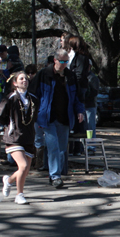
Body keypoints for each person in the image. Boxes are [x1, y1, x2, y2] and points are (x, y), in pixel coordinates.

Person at [30, 48, 85, 188]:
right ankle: (55, 176)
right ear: (55, 60)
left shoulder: (70, 76)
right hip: (47, 117)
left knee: (61, 149)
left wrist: (80, 111)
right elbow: (33, 95)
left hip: (65, 117)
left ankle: (55, 174)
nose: (64, 64)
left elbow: (77, 97)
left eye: (66, 61)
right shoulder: (44, 74)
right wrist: (35, 112)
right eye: (62, 61)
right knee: (53, 146)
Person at [0, 71, 37, 204]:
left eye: (26, 78)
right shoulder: (10, 98)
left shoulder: (33, 99)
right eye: (21, 79)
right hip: (14, 137)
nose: (24, 80)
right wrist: (9, 125)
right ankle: (19, 195)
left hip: (29, 137)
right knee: (23, 165)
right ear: (15, 83)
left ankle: (8, 181)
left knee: (24, 170)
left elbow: (35, 116)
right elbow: (0, 115)